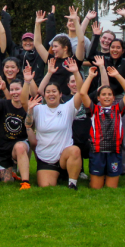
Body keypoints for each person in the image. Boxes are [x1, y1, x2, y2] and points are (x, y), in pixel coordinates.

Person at [88, 24, 125, 175]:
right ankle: (103, 166)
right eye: (112, 47)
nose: (115, 50)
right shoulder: (103, 59)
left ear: (123, 50)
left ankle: (122, 168)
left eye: (118, 47)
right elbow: (90, 56)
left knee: (122, 137)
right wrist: (96, 36)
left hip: (120, 101)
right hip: (103, 101)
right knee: (102, 136)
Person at [25, 57, 83, 189]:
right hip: (45, 158)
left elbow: (81, 92)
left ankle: (72, 183)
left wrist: (75, 72)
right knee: (46, 186)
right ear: (44, 95)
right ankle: (59, 175)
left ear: (60, 94)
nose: (51, 94)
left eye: (54, 91)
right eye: (48, 92)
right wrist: (27, 82)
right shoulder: (38, 109)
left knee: (75, 151)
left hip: (64, 156)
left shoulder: (68, 108)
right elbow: (26, 112)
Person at [79, 66, 125, 189]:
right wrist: (91, 76)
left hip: (114, 151)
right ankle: (96, 177)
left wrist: (117, 76)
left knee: (111, 188)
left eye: (110, 94)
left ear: (114, 98)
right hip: (97, 152)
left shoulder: (118, 109)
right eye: (103, 94)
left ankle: (107, 175)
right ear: (98, 98)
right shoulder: (94, 110)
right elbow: (82, 93)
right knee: (96, 187)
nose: (107, 97)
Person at [0, 71, 31, 190]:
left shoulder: (28, 106)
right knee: (7, 181)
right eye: (12, 90)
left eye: (17, 89)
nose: (14, 92)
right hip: (2, 148)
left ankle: (25, 182)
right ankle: (11, 171)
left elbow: (31, 125)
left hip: (18, 146)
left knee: (20, 147)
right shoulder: (3, 103)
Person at [34, 7, 85, 96]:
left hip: (70, 101)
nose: (53, 49)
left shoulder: (74, 61)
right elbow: (37, 44)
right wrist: (37, 24)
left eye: (56, 47)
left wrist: (75, 21)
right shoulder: (52, 61)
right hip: (54, 99)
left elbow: (81, 41)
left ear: (65, 48)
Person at [1, 5, 56, 86]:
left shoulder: (39, 54)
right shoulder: (15, 50)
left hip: (34, 90)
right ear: (21, 42)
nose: (28, 43)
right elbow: (6, 35)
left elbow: (50, 39)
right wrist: (5, 17)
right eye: (25, 40)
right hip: (16, 88)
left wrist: (50, 18)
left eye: (31, 41)